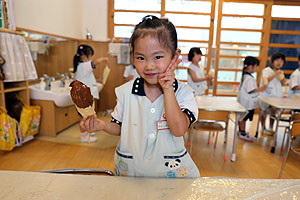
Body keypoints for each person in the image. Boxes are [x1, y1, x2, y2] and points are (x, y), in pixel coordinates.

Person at [81, 15, 200, 178]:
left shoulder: (184, 92)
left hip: (171, 176)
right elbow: (121, 127)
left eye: (158, 57)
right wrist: (102, 126)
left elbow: (179, 130)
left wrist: (168, 90)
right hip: (132, 173)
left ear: (174, 56)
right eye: (140, 58)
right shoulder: (124, 92)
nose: (149, 66)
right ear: (133, 58)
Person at [73, 44, 108, 143]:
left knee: (88, 116)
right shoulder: (84, 65)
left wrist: (97, 79)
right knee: (84, 118)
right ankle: (84, 137)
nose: (91, 59)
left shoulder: (81, 67)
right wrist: (102, 59)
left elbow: (86, 79)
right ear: (84, 56)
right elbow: (94, 63)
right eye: (90, 56)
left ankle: (88, 132)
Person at [237, 56, 267, 142]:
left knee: (242, 117)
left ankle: (241, 131)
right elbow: (251, 90)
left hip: (243, 101)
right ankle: (242, 133)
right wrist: (261, 89)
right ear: (250, 67)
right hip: (247, 102)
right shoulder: (249, 78)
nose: (257, 68)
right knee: (244, 118)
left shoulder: (245, 76)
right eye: (256, 66)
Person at [259, 52, 286, 136]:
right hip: (266, 95)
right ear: (272, 61)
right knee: (265, 111)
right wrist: (275, 74)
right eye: (277, 60)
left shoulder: (280, 72)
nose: (279, 63)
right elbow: (265, 81)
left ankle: (271, 128)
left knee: (273, 112)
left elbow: (283, 83)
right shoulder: (266, 70)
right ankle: (263, 128)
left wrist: (283, 80)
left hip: (276, 95)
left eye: (281, 61)